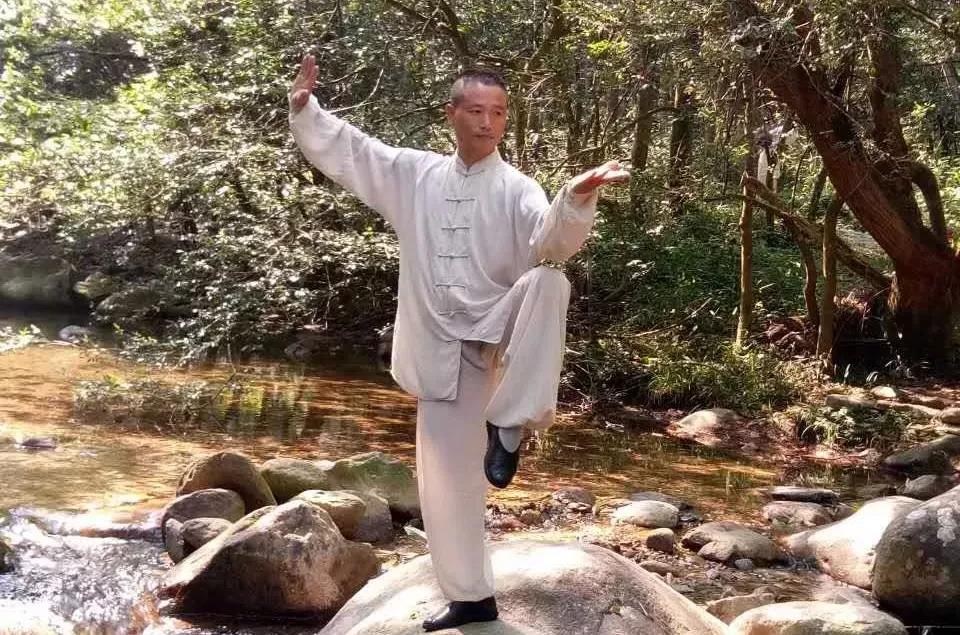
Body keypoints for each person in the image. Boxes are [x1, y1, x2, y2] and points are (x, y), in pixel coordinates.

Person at [288, 54, 628, 631]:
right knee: (445, 484)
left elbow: (550, 244)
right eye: (475, 110)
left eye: (498, 112)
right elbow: (354, 152)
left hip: (501, 333)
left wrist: (574, 199)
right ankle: (471, 599)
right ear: (452, 114)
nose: (488, 122)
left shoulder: (518, 187)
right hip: (438, 346)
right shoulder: (413, 174)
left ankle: (511, 424)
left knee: (550, 280)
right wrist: (305, 110)